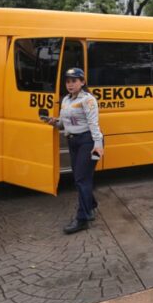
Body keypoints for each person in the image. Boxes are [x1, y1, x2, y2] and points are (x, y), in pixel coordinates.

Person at [45, 68, 104, 234]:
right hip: (73, 142)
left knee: (81, 179)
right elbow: (65, 123)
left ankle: (83, 219)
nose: (70, 84)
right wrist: (54, 122)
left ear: (82, 82)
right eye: (68, 81)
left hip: (88, 141)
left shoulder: (88, 99)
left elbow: (93, 123)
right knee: (81, 178)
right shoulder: (66, 99)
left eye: (74, 81)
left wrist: (98, 144)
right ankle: (91, 205)